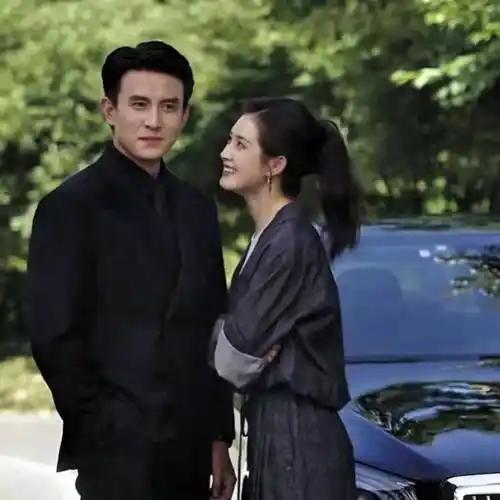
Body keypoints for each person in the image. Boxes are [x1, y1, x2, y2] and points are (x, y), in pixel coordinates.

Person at [25, 41, 235, 500]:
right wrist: (103, 427)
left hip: (190, 448)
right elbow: (53, 334)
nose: (154, 121)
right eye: (139, 104)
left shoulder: (197, 208)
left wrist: (218, 437)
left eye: (168, 107)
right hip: (116, 451)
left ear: (184, 115)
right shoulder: (70, 207)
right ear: (110, 110)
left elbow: (213, 326)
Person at [210, 97, 362, 500]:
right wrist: (241, 343)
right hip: (276, 437)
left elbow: (232, 359)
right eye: (229, 140)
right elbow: (239, 350)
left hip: (300, 443)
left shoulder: (289, 242)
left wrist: (237, 345)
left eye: (241, 144)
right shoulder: (268, 237)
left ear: (275, 165)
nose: (225, 153)